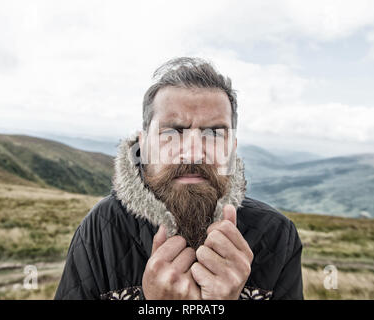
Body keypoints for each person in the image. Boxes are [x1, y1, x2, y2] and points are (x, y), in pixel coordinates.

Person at [54, 57, 303, 300]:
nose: (193, 153)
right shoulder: (102, 228)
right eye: (172, 131)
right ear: (144, 144)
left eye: (214, 133)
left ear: (232, 148)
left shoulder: (277, 236)